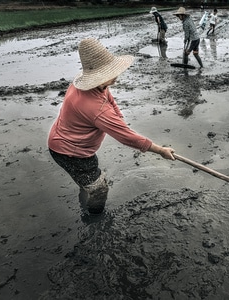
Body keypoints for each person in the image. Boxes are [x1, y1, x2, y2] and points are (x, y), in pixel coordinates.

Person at [48, 38, 175, 214]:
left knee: (86, 182)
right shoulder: (96, 109)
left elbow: (108, 96)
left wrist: (118, 116)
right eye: (111, 74)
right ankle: (94, 221)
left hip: (64, 140)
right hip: (70, 152)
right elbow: (127, 137)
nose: (116, 78)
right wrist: (160, 150)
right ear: (98, 78)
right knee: (99, 189)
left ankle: (85, 192)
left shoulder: (89, 83)